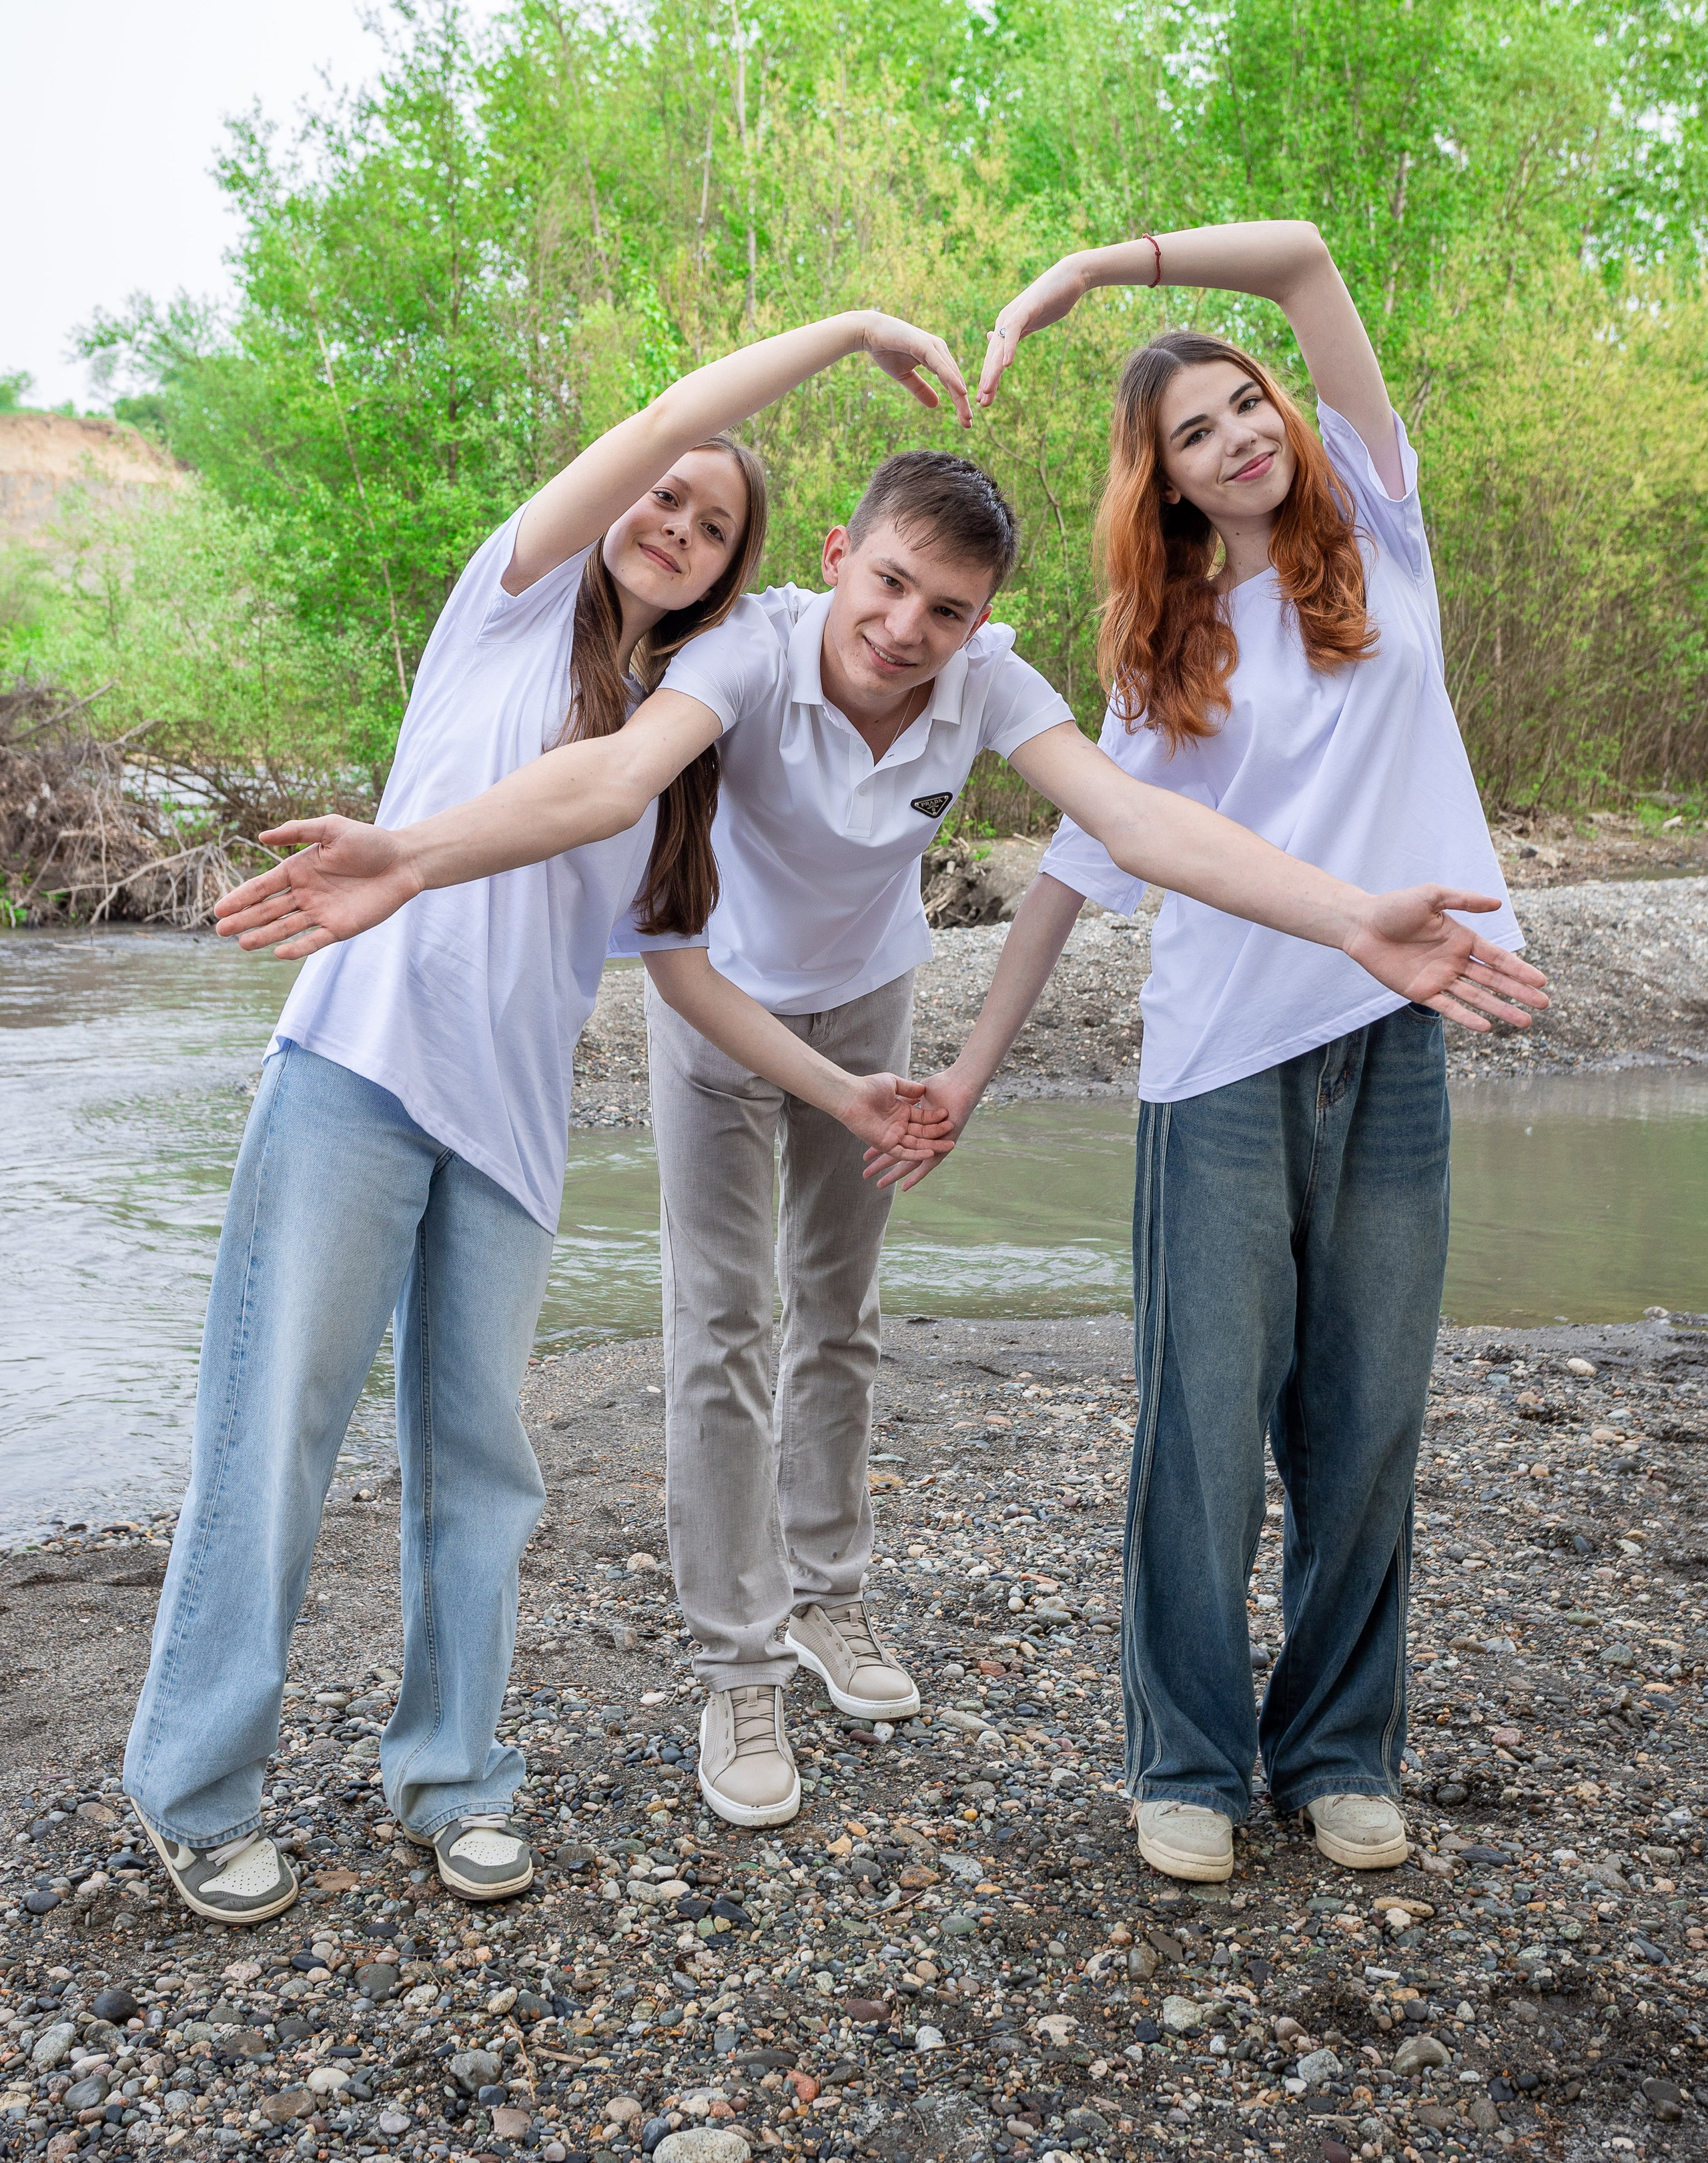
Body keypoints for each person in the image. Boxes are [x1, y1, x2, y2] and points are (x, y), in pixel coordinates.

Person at [217, 351, 1546, 1839]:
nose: (906, 630)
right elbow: (607, 788)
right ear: (839, 557)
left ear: (981, 624)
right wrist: (408, 855)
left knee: (837, 1322)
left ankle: (827, 1603)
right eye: (890, 586)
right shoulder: (741, 655)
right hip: (711, 1000)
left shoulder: (980, 682)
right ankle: (737, 1670)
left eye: (947, 611)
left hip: (869, 1002)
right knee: (721, 1327)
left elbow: (1129, 822)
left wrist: (1348, 919)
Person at [122, 310, 967, 1925]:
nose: (677, 524)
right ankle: (196, 1785)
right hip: (356, 1077)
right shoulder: (502, 613)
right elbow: (673, 414)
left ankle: (452, 1777)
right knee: (277, 1433)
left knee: (479, 1465)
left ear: (732, 575)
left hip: (509, 1138)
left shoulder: (670, 749)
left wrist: (839, 1084)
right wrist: (847, 333)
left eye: (714, 526)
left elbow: (685, 978)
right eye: (666, 497)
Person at [901, 217, 1540, 1883]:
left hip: (1388, 1037)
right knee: (1198, 1429)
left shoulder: (1378, 535)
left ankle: (1334, 1751)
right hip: (1216, 1066)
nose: (1239, 434)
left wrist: (1081, 282)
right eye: (1194, 434)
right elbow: (1070, 875)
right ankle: (1182, 1761)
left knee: (1366, 1420)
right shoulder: (1155, 651)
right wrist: (967, 1071)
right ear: (1166, 482)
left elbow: (1311, 257)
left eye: (1245, 403)